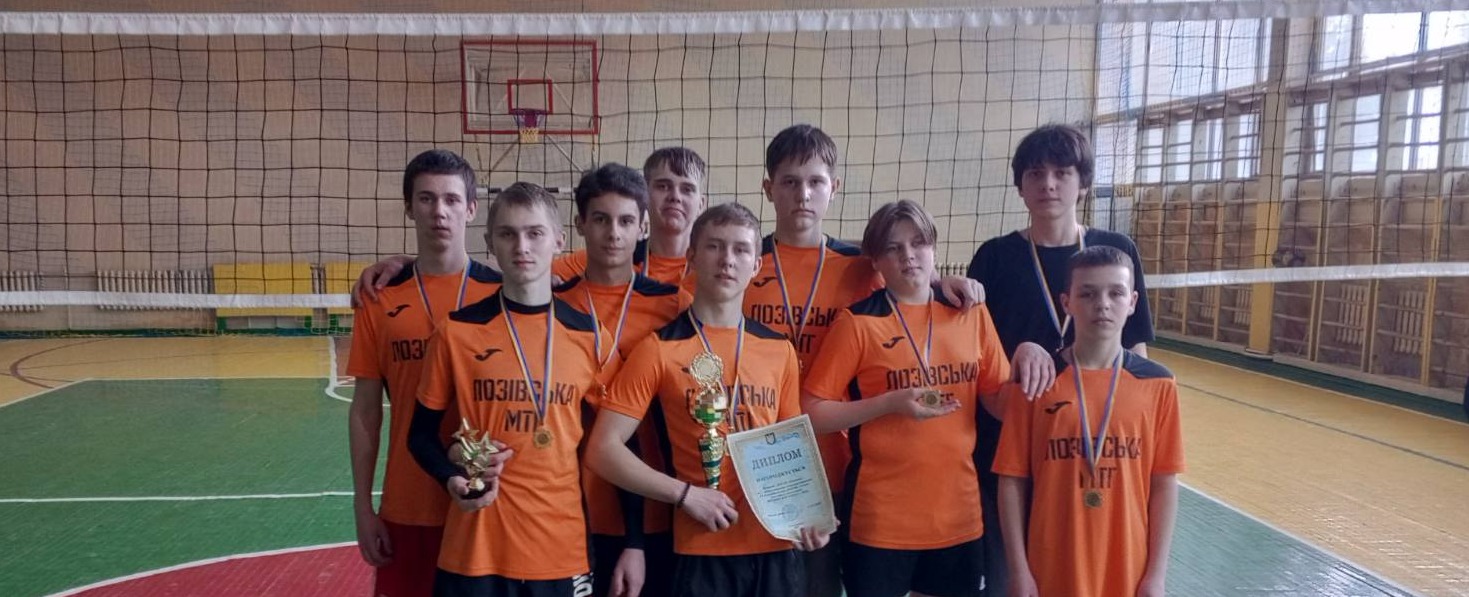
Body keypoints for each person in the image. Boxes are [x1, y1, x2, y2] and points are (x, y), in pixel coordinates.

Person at [743, 124, 985, 597]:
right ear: (769, 188)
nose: (803, 194)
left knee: (820, 586)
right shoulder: (743, 262)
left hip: (833, 464)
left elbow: (906, 281)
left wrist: (943, 283)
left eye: (815, 182)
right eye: (790, 182)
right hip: (754, 458)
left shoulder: (859, 266)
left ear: (834, 187)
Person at [586, 202, 834, 597]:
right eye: (715, 246)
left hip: (776, 545)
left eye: (740, 249)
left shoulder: (779, 350)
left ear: (757, 265)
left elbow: (791, 450)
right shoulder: (658, 349)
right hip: (702, 549)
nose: (727, 260)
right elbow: (602, 451)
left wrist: (807, 516)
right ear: (692, 257)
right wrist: (684, 495)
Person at [964, 123, 1155, 594]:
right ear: (1020, 186)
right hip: (1007, 449)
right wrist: (1017, 374)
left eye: (1061, 173)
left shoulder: (1116, 252)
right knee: (1013, 579)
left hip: (1088, 451)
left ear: (1083, 182)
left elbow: (1136, 353)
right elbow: (976, 360)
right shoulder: (995, 258)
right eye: (1035, 173)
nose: (1048, 184)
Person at [408, 182, 616, 596]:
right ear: (490, 242)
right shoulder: (456, 332)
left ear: (559, 240)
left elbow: (620, 445)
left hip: (560, 548)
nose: (522, 246)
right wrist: (451, 478)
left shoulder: (592, 337)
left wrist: (634, 543)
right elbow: (420, 435)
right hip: (475, 548)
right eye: (507, 234)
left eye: (534, 233)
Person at [801, 200, 1011, 597]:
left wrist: (1035, 356)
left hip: (958, 516)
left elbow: (1000, 400)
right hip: (881, 518)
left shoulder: (970, 314)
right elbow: (812, 411)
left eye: (918, 243)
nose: (908, 256)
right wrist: (889, 403)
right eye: (893, 248)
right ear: (876, 261)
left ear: (934, 248)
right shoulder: (858, 323)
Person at [346, 149, 504, 597]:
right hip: (408, 503)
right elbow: (364, 412)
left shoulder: (505, 293)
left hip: (489, 501)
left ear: (471, 209)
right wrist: (363, 506)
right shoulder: (378, 299)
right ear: (409, 207)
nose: (440, 211)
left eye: (452, 199)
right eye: (427, 199)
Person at [994, 245, 1183, 597]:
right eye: (1088, 293)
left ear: (1133, 302)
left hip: (1127, 572)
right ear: (1067, 302)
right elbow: (1011, 482)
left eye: (1116, 293)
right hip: (1050, 569)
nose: (1102, 304)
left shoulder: (1159, 384)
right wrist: (1018, 571)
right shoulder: (1036, 382)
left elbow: (1164, 484)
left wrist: (1156, 577)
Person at [553, 162, 692, 597]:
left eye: (626, 221)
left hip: (657, 506)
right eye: (600, 219)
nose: (613, 233)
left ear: (643, 226)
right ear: (580, 224)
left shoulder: (674, 305)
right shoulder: (552, 303)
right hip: (570, 506)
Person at [552, 147, 710, 286]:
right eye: (663, 186)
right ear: (644, 195)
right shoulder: (609, 255)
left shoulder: (713, 266)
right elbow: (543, 274)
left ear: (701, 204)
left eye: (687, 189)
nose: (675, 197)